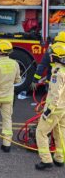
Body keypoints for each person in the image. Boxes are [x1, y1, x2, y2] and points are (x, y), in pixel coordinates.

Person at [35, 42, 65, 170]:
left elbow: (55, 95)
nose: (50, 57)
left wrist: (48, 111)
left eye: (51, 55)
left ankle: (46, 160)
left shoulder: (57, 74)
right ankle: (59, 158)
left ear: (56, 57)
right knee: (60, 133)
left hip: (55, 109)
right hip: (63, 108)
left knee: (41, 132)